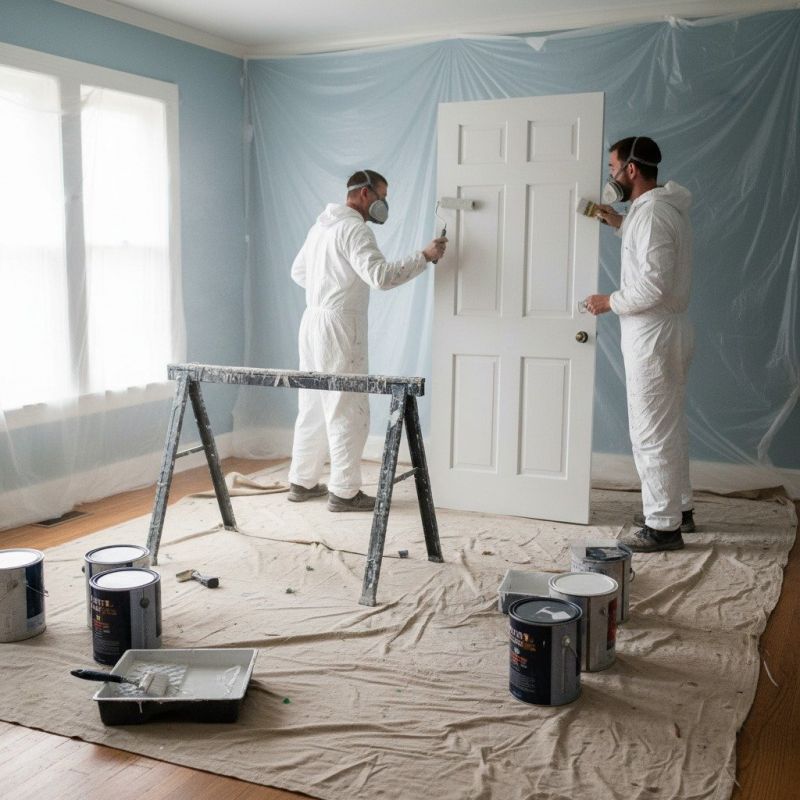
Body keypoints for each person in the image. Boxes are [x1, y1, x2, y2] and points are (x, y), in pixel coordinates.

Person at [287, 169, 447, 512]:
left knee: (313, 404)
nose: (383, 204)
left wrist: (328, 287)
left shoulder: (322, 226)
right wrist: (425, 256)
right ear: (363, 194)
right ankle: (344, 492)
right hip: (340, 324)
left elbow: (298, 272)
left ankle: (302, 481)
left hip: (312, 320)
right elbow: (380, 277)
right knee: (347, 407)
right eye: (381, 196)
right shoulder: (354, 229)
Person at [584, 136, 694, 552]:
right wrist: (617, 222)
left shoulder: (649, 217)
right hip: (670, 331)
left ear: (631, 170)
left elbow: (652, 285)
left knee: (651, 430)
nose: (610, 176)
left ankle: (663, 526)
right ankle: (678, 508)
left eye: (612, 168)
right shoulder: (660, 210)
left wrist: (607, 301)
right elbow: (651, 255)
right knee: (669, 425)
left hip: (653, 334)